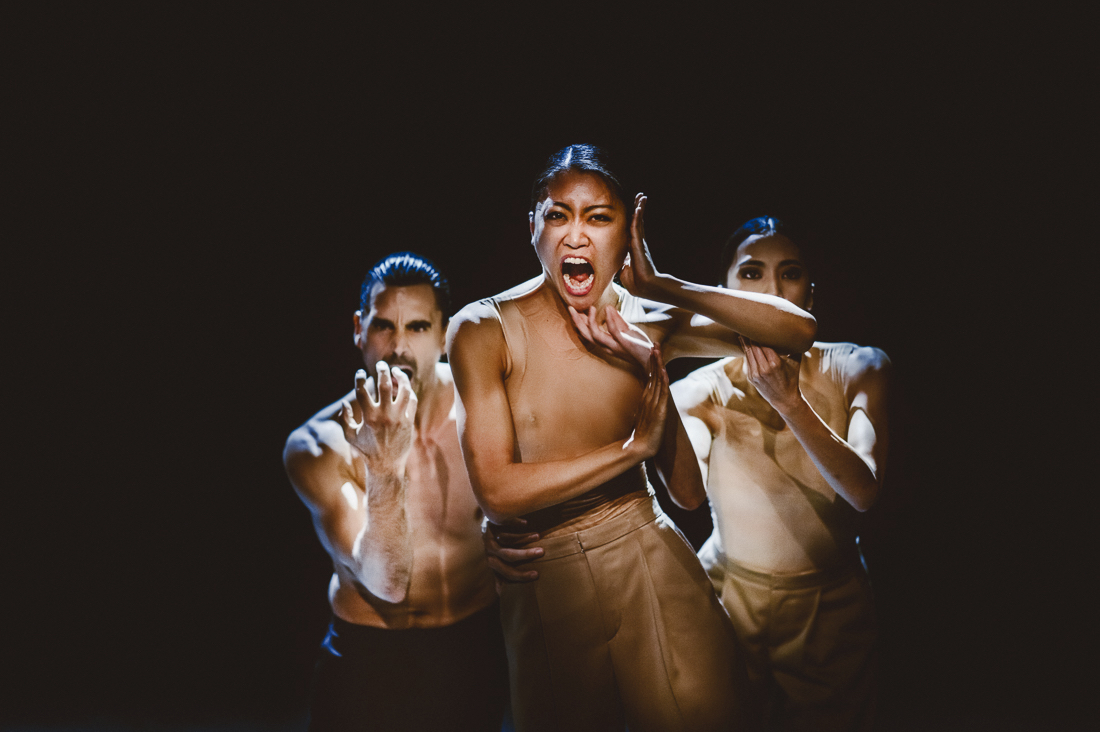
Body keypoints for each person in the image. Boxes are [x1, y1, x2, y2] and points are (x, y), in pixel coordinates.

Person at [446, 145, 817, 732]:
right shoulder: (482, 328)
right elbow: (496, 490)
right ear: (533, 228)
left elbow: (797, 331)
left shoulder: (648, 321)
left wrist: (663, 291)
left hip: (650, 549)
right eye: (557, 214)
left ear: (627, 231)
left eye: (599, 217)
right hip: (548, 576)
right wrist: (631, 451)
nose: (575, 235)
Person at [672, 218, 889, 730]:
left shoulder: (858, 367)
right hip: (729, 596)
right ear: (723, 294)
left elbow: (863, 491)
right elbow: (685, 496)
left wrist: (789, 402)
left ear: (809, 294)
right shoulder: (699, 390)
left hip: (829, 606)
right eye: (750, 274)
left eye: (789, 274)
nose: (771, 292)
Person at [283, 252, 508, 732]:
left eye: (418, 328)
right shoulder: (317, 446)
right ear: (358, 330)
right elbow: (385, 585)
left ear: (445, 335)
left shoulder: (487, 411)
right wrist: (385, 467)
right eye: (384, 326)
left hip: (473, 651)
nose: (399, 348)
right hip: (370, 661)